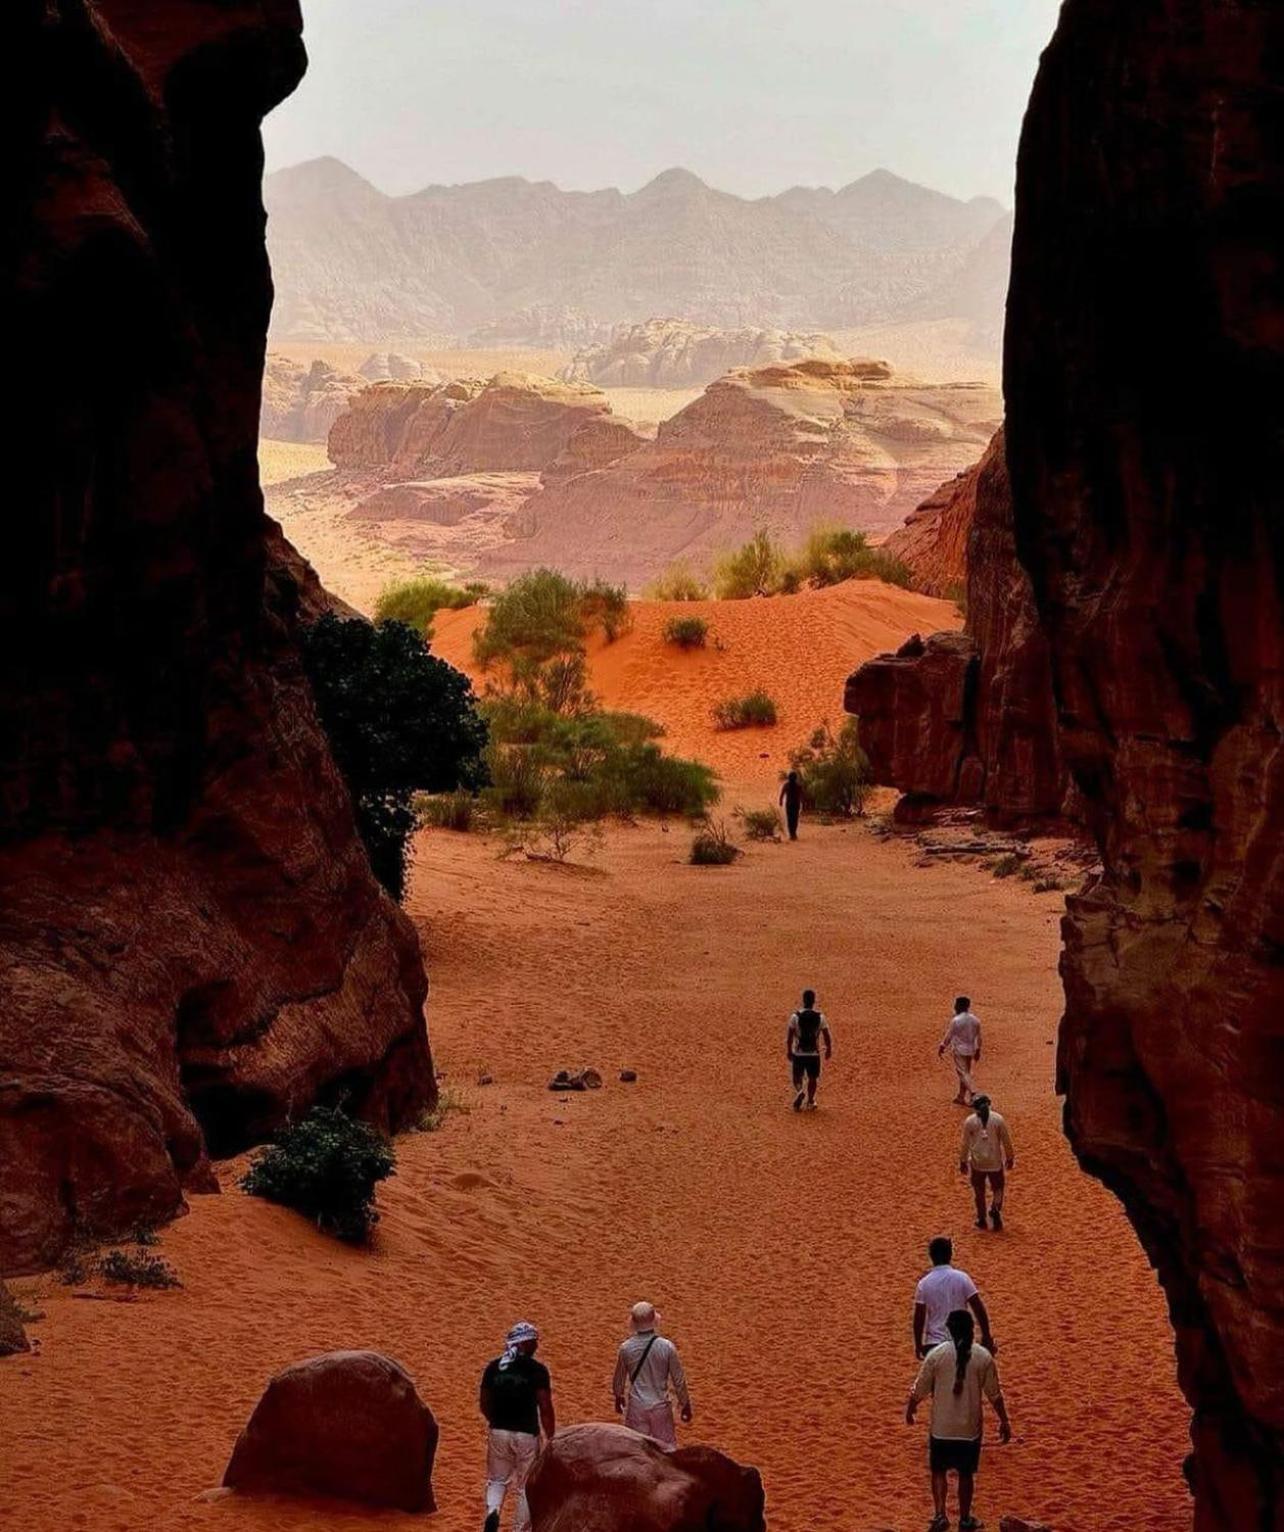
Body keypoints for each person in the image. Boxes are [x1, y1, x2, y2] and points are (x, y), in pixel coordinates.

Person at [906, 1308, 1011, 1532]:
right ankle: (964, 1518)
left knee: (938, 1470)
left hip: (941, 1427)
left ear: (949, 1330)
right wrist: (1004, 1420)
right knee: (966, 1474)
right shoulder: (983, 1357)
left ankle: (940, 1514)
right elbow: (995, 1395)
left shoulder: (936, 1355)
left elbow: (920, 1388)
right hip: (969, 1428)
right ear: (971, 1330)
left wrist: (911, 1408)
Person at [479, 1321, 555, 1532]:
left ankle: (493, 1512)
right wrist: (551, 1437)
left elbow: (484, 1402)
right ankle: (520, 1529)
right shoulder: (538, 1371)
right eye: (533, 1342)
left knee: (496, 1481)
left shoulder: (494, 1367)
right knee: (525, 1487)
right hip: (526, 1434)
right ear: (524, 1344)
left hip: (498, 1431)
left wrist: (495, 1421)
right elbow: (545, 1407)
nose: (536, 1346)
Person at [612, 1300, 692, 1449]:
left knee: (636, 1450)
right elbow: (678, 1380)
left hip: (637, 1406)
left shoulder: (626, 1348)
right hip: (660, 1406)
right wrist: (685, 1403)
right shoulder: (667, 1347)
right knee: (667, 1449)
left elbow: (619, 1378)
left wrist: (618, 1396)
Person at [913, 1236, 996, 1358]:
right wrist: (986, 1335)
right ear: (950, 1254)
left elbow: (919, 1318)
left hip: (935, 1344)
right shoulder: (962, 1278)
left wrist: (918, 1344)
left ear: (931, 1256)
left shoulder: (924, 1284)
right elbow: (978, 1308)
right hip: (961, 1341)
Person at [959, 1094, 1015, 1231]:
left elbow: (965, 1144)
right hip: (994, 1161)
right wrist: (1010, 1157)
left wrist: (963, 1161)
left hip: (977, 1162)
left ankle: (981, 1219)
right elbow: (1006, 1141)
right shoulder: (998, 1119)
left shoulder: (970, 1121)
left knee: (979, 1192)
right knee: (998, 1188)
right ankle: (995, 1209)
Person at [786, 988, 832, 1111]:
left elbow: (790, 1036)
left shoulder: (795, 1017)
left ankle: (800, 1090)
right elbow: (826, 1035)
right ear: (813, 1001)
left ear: (803, 1000)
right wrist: (828, 1049)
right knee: (813, 1078)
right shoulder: (820, 1017)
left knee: (797, 1076)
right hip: (814, 1053)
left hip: (799, 1053)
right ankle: (811, 1100)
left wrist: (789, 1051)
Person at [938, 996, 982, 1105]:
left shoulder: (956, 1020)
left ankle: (973, 1092)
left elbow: (949, 1035)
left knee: (962, 1073)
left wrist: (942, 1046)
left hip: (959, 1050)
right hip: (971, 1049)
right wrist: (978, 1050)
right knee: (966, 1073)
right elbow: (979, 1037)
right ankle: (961, 1097)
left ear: (958, 1006)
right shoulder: (975, 1020)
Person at [778, 770, 803, 840]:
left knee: (790, 819)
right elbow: (801, 795)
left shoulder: (786, 785)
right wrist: (802, 803)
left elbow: (782, 794)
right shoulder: (798, 785)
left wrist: (780, 801)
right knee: (795, 819)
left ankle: (792, 834)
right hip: (795, 804)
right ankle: (793, 834)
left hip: (789, 804)